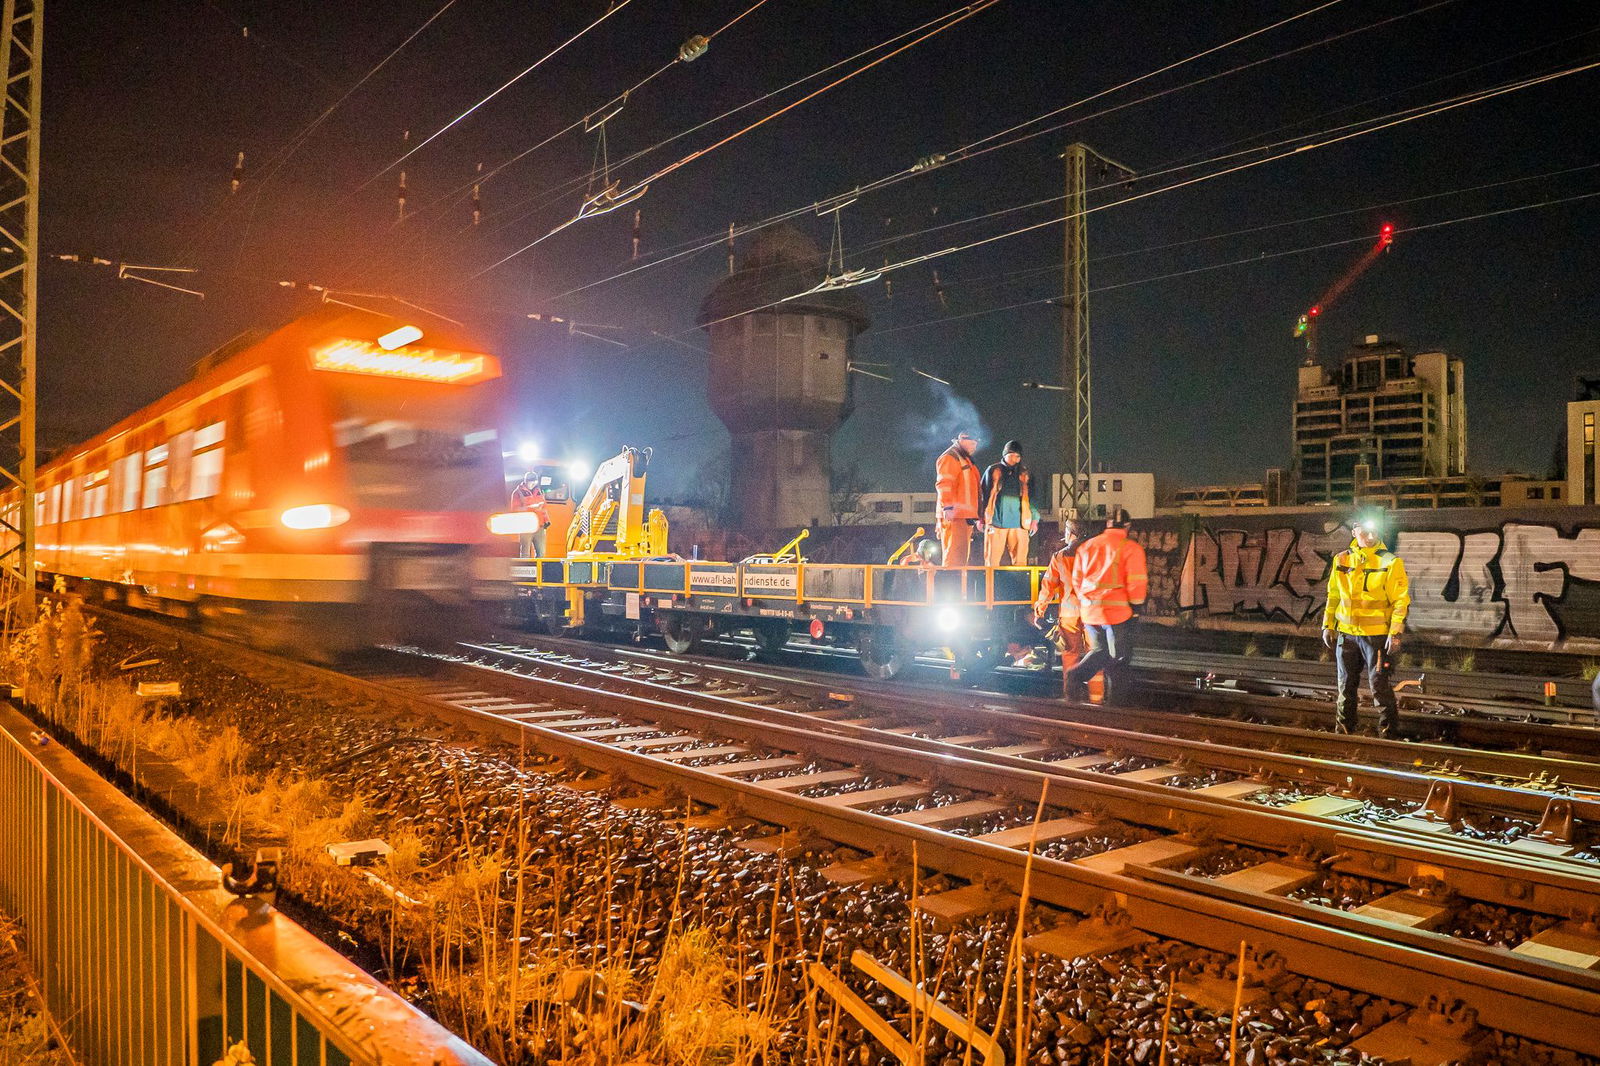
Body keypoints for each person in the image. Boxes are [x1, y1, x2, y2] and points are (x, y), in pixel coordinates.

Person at [1322, 515, 1410, 738]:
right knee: (1345, 685)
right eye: (1365, 532)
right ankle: (1343, 731)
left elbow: (1401, 600)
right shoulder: (1341, 560)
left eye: (1374, 532)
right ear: (1354, 533)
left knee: (1378, 685)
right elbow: (1333, 595)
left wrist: (1396, 633)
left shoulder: (1390, 562)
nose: (1370, 537)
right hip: (1347, 635)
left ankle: (1388, 733)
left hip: (1377, 636)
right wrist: (1327, 625)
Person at [1063, 508, 1148, 704]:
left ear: (1107, 525)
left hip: (1090, 612)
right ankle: (1115, 706)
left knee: (1100, 653)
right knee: (1119, 659)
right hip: (1118, 614)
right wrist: (1135, 609)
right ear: (1127, 526)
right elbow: (1136, 583)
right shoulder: (1131, 548)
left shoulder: (1087, 547)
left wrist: (1088, 601)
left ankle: (1076, 679)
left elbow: (1077, 581)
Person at [1033, 521, 1089, 694]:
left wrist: (1039, 611)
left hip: (1069, 614)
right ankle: (1097, 698)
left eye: (1065, 531)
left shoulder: (1059, 556)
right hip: (1091, 613)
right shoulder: (1092, 555)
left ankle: (1070, 695)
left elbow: (1048, 586)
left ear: (1071, 533)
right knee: (1094, 655)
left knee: (1070, 654)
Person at [982, 440, 1040, 566]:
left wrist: (1034, 519)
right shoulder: (993, 470)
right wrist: (980, 519)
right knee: (991, 562)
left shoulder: (1026, 473)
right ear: (1004, 454)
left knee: (1020, 563)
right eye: (1011, 454)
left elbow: (1033, 498)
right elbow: (983, 495)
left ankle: (1020, 585)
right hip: (996, 523)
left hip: (1020, 524)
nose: (1014, 458)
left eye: (1017, 456)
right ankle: (990, 585)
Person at [934, 432, 982, 567]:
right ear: (962, 440)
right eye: (972, 442)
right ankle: (951, 584)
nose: (975, 446)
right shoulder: (951, 458)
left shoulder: (964, 459)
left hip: (962, 516)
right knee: (954, 559)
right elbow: (944, 484)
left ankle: (957, 584)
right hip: (955, 516)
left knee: (959, 559)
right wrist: (947, 507)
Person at [509, 471, 551, 558]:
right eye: (531, 481)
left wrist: (546, 520)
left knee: (541, 553)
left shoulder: (539, 491)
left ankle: (539, 571)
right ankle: (526, 570)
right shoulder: (518, 492)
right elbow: (514, 510)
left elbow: (544, 507)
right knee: (525, 553)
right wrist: (530, 508)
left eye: (535, 481)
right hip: (526, 527)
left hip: (539, 526)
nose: (533, 484)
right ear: (526, 481)